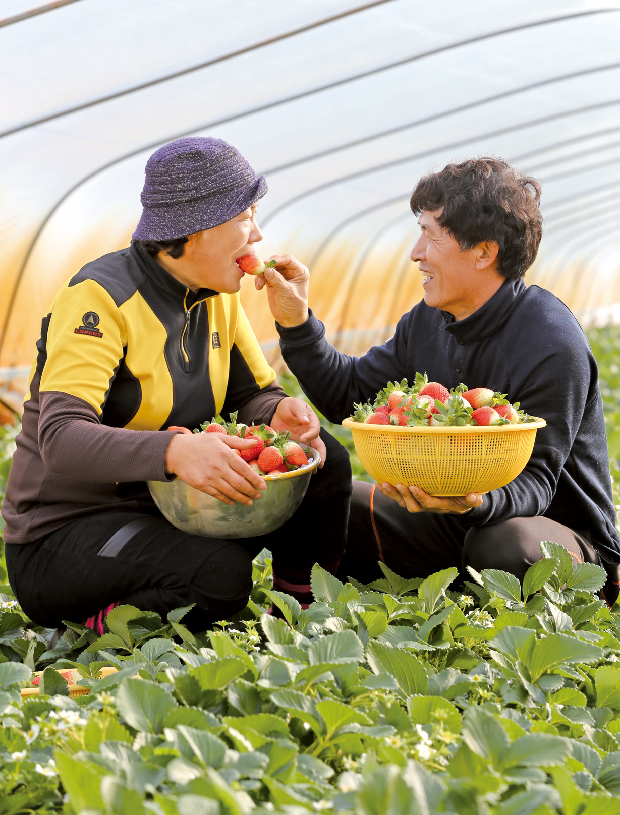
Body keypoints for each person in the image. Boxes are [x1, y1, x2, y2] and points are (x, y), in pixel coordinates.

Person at [2, 137, 352, 634]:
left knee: (324, 460)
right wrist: (173, 453)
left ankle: (294, 616)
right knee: (220, 578)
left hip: (169, 509)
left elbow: (250, 394)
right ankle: (86, 627)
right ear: (195, 229)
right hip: (64, 538)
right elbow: (60, 437)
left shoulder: (216, 293)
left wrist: (276, 411)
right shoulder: (99, 300)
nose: (258, 233)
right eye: (244, 217)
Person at [256, 157, 620, 604]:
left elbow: (537, 483)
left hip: (558, 534)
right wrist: (296, 324)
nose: (415, 252)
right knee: (328, 504)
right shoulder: (428, 321)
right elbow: (346, 395)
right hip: (452, 517)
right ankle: (431, 583)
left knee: (501, 545)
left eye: (430, 235)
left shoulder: (550, 341)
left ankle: (481, 583)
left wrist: (474, 503)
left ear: (484, 252)